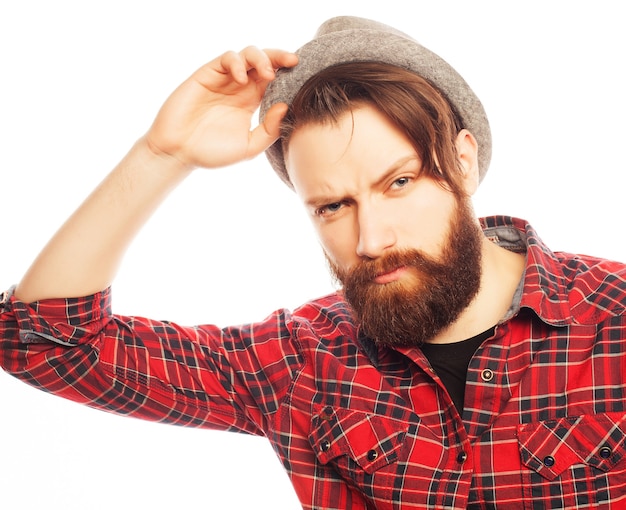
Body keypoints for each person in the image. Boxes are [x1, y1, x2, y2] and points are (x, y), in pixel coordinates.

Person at [1, 14, 626, 509]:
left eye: (399, 183)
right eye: (333, 207)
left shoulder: (615, 315)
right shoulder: (304, 359)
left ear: (462, 160)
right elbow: (46, 344)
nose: (372, 239)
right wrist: (164, 154)